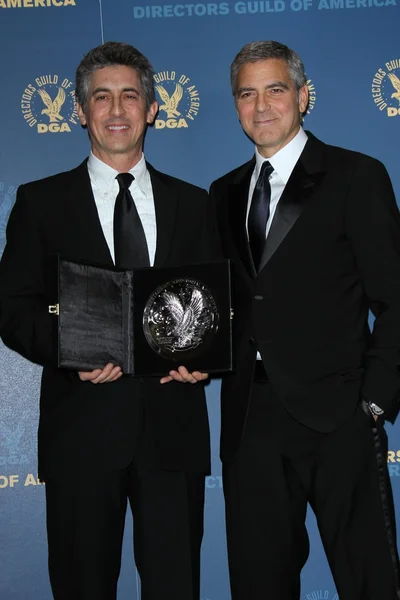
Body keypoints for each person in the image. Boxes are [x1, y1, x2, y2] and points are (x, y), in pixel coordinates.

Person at [0, 41, 218, 600]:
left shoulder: (196, 206)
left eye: (129, 96)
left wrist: (205, 358)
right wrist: (69, 351)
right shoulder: (40, 203)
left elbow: (221, 307)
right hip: (81, 438)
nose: (116, 110)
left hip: (172, 436)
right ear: (79, 110)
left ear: (151, 108)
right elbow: (13, 307)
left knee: (175, 589)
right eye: (102, 97)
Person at [210, 40, 400, 600]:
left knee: (370, 581)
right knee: (258, 582)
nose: (261, 105)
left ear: (303, 95)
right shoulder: (221, 195)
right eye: (247, 93)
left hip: (339, 412)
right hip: (250, 421)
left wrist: (374, 402)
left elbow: (394, 297)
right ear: (236, 104)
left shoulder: (355, 175)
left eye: (275, 89)